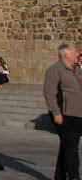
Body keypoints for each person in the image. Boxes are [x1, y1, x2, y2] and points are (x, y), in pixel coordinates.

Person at [43, 42, 82, 180]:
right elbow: (49, 93)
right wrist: (56, 113)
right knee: (71, 147)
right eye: (75, 52)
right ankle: (74, 176)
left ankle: (59, 176)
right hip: (64, 114)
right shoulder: (55, 69)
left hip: (78, 114)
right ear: (67, 55)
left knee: (68, 145)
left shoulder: (77, 69)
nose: (78, 54)